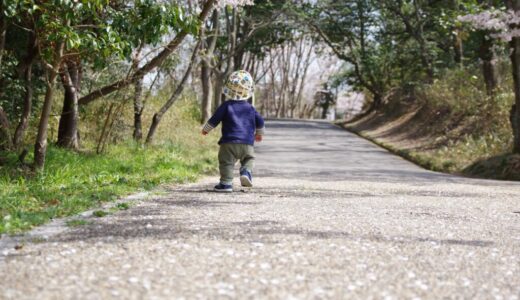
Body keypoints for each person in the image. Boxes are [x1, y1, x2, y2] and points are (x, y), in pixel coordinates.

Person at [201, 70, 265, 192]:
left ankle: (226, 184)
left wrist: (206, 130)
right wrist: (259, 134)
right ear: (249, 91)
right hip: (247, 144)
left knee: (226, 162)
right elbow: (260, 121)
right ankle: (246, 171)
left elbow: (215, 119)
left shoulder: (226, 106)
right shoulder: (250, 108)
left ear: (228, 89)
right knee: (249, 159)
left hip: (228, 143)